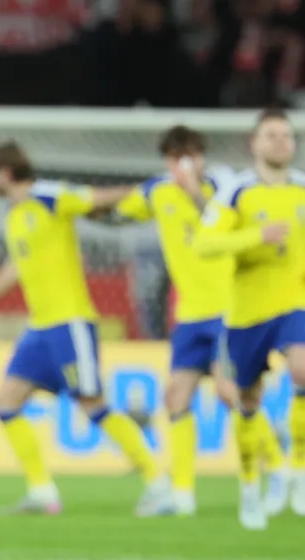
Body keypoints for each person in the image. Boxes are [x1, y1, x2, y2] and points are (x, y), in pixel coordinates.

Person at [0, 142, 175, 517]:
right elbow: (17, 265)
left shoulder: (47, 196)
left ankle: (160, 484)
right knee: (6, 403)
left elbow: (97, 198)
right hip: (40, 328)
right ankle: (42, 492)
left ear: (6, 171)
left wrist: (149, 189)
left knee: (93, 405)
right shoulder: (16, 215)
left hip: (69, 323)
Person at [114, 125, 289, 518]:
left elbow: (217, 224)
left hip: (227, 308)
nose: (183, 163)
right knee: (175, 397)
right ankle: (182, 494)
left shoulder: (223, 186)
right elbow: (118, 214)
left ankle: (278, 468)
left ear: (201, 156)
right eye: (175, 157)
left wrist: (193, 189)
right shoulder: (158, 191)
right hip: (189, 315)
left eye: (189, 155)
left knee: (230, 393)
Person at [195, 107, 305, 530]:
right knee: (247, 401)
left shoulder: (301, 189)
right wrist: (256, 235)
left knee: (302, 368)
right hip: (247, 314)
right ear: (254, 144)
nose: (281, 142)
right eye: (271, 135)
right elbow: (204, 244)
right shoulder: (236, 193)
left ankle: (298, 471)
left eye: (286, 135)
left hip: (294, 304)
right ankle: (250, 488)